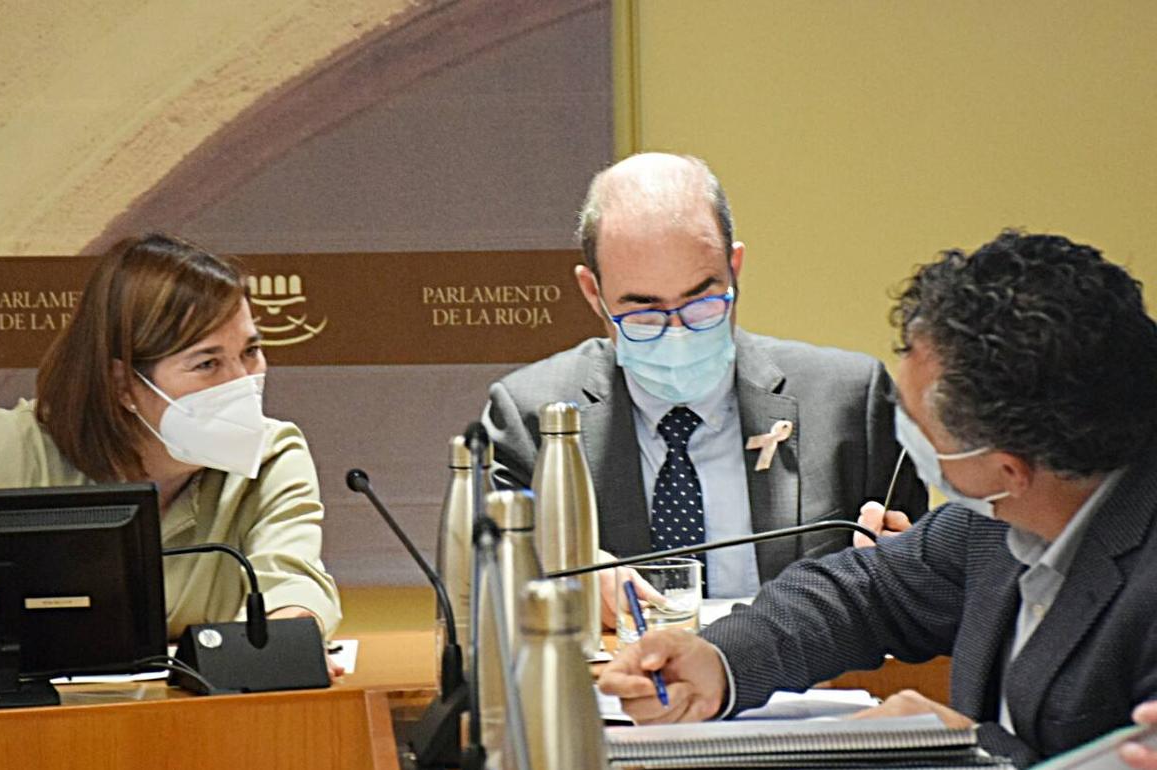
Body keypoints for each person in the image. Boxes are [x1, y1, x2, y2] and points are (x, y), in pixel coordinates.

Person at [598, 231, 1157, 768]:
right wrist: (720, 661)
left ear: (1007, 468)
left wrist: (972, 754)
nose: (903, 431)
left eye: (915, 421)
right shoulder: (993, 519)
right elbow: (864, 593)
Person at [481, 152, 924, 620]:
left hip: (808, 685)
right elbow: (494, 596)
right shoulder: (531, 417)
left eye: (701, 300)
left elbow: (925, 598)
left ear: (735, 267)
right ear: (594, 293)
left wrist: (905, 564)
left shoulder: (851, 400)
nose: (678, 332)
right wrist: (565, 588)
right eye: (644, 311)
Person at [0, 233, 343, 652]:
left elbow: (293, 583)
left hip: (203, 710)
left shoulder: (272, 454)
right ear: (124, 383)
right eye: (207, 363)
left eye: (251, 351)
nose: (242, 381)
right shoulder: (20, 447)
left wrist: (283, 644)